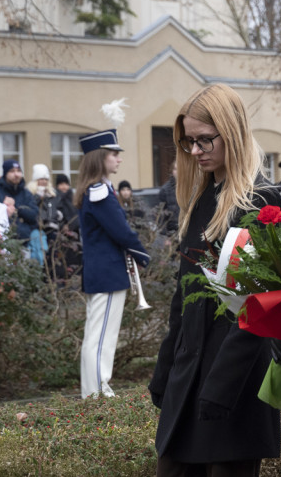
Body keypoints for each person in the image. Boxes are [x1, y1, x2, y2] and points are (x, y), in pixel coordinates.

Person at [148, 83, 281, 477]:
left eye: (205, 140)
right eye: (188, 142)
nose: (195, 151)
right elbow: (182, 298)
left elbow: (258, 307)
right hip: (191, 368)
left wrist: (221, 386)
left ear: (231, 133)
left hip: (235, 375)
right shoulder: (199, 200)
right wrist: (166, 369)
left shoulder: (262, 202)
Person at [74, 128, 150, 398]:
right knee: (101, 336)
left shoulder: (98, 190)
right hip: (107, 272)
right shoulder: (99, 193)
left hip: (104, 271)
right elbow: (121, 232)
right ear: (100, 157)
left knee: (101, 334)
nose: (118, 158)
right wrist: (142, 254)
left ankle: (96, 389)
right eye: (114, 153)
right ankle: (96, 392)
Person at [0, 160, 38, 242]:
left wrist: (17, 207)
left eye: (18, 171)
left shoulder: (26, 194)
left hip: (24, 241)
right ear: (5, 174)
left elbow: (34, 215)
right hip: (1, 242)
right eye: (12, 171)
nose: (16, 174)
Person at [29, 164, 62, 270]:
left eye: (45, 179)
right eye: (41, 179)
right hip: (38, 228)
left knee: (52, 255)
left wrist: (59, 215)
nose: (43, 181)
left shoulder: (52, 194)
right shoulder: (31, 194)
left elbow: (58, 207)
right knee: (40, 253)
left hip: (52, 228)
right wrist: (39, 197)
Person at [157, 159, 180, 235]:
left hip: (188, 233)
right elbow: (161, 218)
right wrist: (165, 238)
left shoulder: (191, 188)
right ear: (172, 171)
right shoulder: (165, 190)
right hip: (172, 234)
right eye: (175, 169)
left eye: (180, 169)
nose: (178, 172)